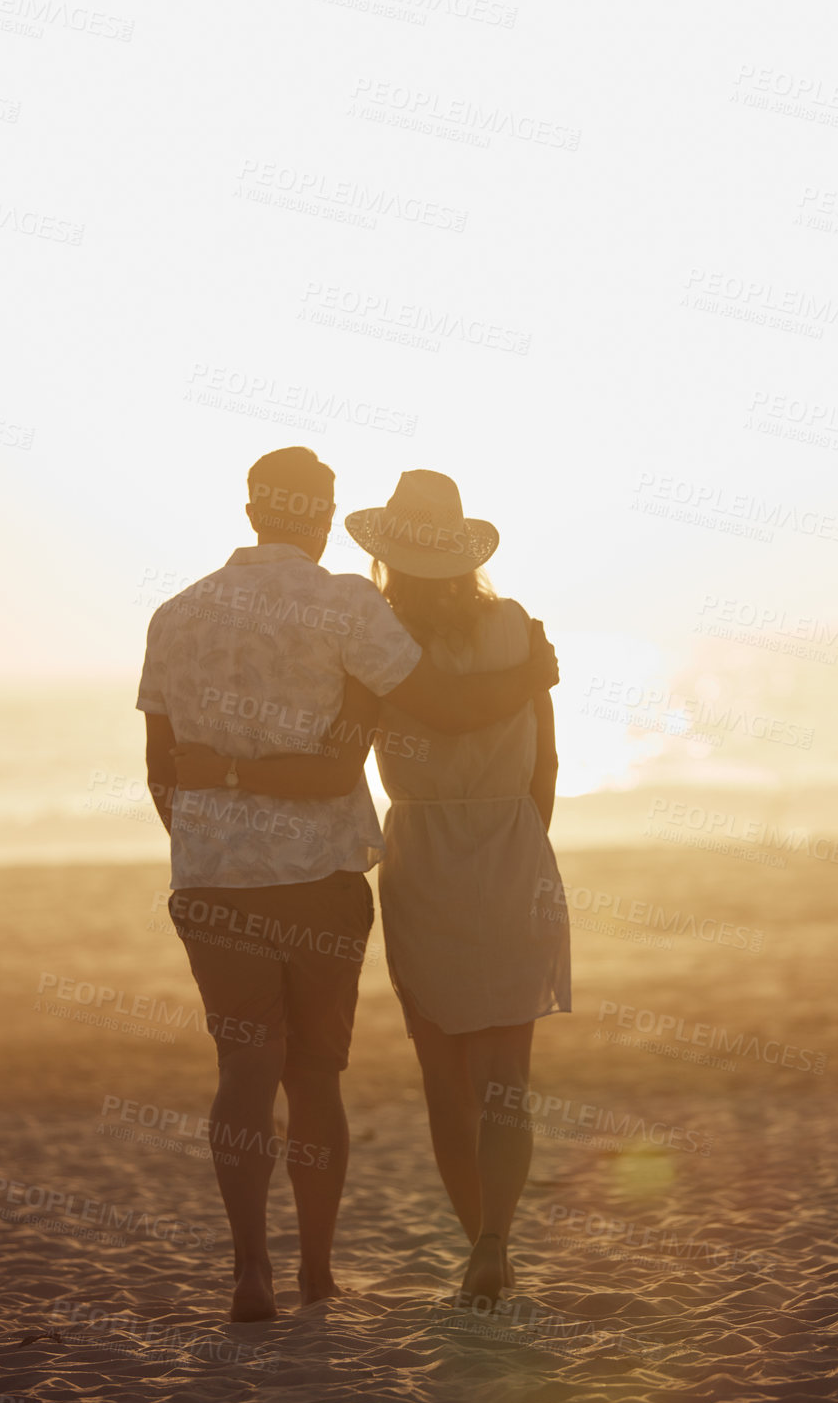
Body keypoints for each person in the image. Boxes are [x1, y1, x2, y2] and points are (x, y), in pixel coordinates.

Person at [139, 449, 558, 1322]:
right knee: (361, 1077)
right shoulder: (377, 611)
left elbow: (163, 774)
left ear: (252, 510)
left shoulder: (181, 616)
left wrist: (218, 834)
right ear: (322, 514)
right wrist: (527, 687)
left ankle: (256, 1269)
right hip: (388, 867)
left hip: (267, 877)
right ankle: (384, 1264)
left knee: (260, 1070)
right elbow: (480, 730)